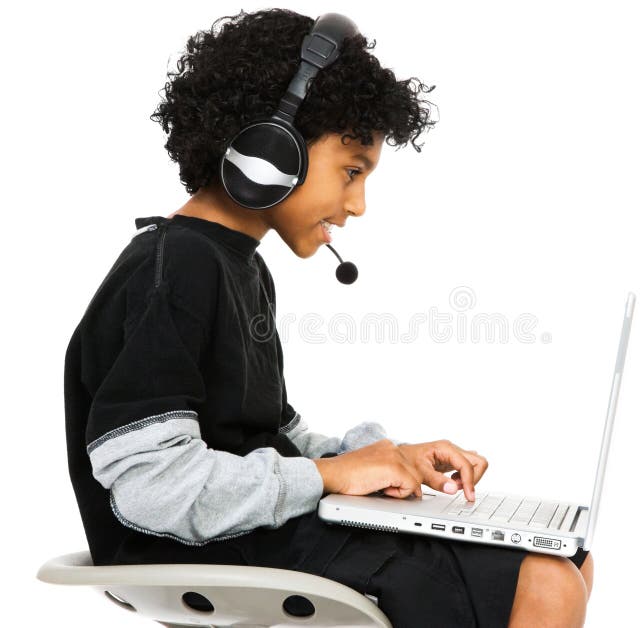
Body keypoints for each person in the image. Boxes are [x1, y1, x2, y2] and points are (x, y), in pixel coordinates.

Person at [63, 8, 593, 627]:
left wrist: (383, 457)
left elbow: (268, 436)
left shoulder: (238, 268)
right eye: (351, 171)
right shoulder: (175, 266)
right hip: (201, 545)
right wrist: (332, 474)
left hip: (249, 534)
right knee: (547, 582)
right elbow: (152, 486)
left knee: (569, 557)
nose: (359, 204)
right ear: (271, 148)